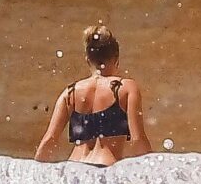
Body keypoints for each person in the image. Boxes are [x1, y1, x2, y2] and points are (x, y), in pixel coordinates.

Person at [35, 24, 152, 166]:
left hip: (74, 170)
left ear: (88, 60)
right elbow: (138, 139)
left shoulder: (70, 92)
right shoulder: (126, 88)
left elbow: (50, 140)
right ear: (116, 60)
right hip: (106, 170)